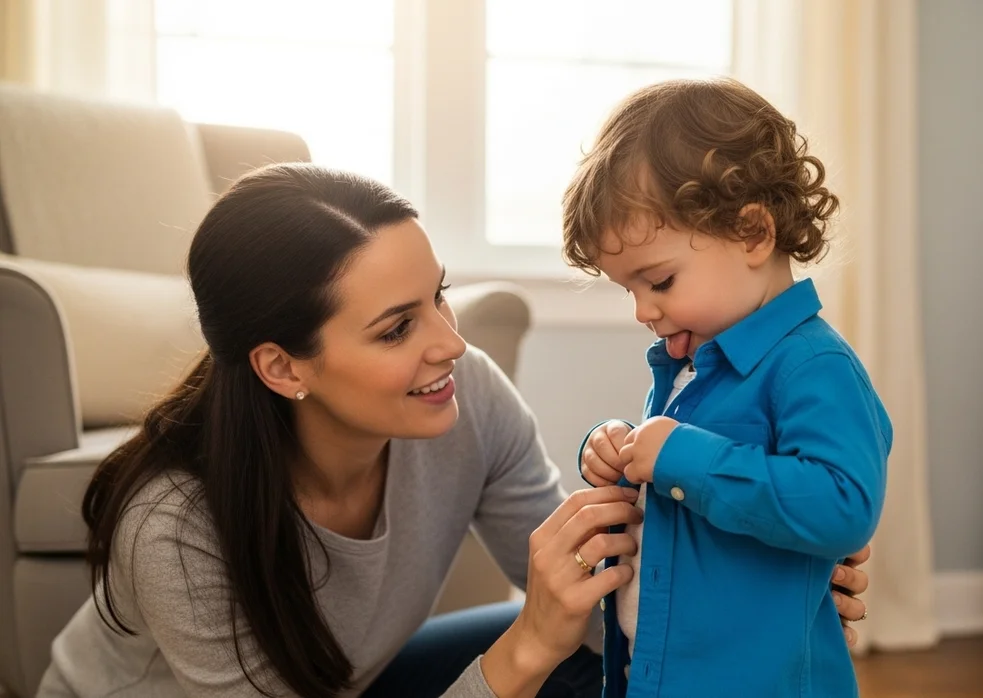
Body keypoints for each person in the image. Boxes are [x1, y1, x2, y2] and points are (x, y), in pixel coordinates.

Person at [37, 163, 871, 698]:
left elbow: (587, 602)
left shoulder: (465, 392)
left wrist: (751, 589)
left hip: (359, 684)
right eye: (397, 327)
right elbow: (543, 631)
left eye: (439, 295)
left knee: (596, 664)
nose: (452, 343)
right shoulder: (176, 528)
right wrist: (528, 645)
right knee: (537, 653)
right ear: (283, 367)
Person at [565, 77, 891, 696]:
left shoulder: (813, 366)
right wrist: (616, 448)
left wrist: (680, 453)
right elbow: (675, 485)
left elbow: (845, 503)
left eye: (658, 281)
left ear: (752, 234)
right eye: (628, 290)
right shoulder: (692, 361)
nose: (642, 311)